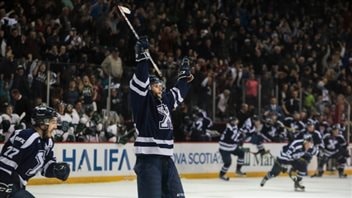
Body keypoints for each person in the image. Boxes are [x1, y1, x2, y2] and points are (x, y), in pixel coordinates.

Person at [129, 36, 193, 198]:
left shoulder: (165, 99)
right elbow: (141, 81)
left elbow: (179, 92)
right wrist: (142, 58)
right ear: (149, 87)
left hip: (167, 159)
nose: (161, 88)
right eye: (157, 86)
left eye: (161, 85)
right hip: (149, 160)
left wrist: (184, 77)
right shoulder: (143, 100)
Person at [0, 105, 70, 198]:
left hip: (17, 186)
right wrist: (3, 184)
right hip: (6, 183)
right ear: (42, 124)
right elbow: (5, 163)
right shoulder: (27, 136)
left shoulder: (48, 141)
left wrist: (56, 170)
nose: (56, 126)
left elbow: (45, 167)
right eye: (53, 122)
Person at [219, 116, 246, 181]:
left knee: (241, 153)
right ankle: (222, 174)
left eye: (235, 120)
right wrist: (239, 141)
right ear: (231, 122)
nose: (235, 122)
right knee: (228, 162)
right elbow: (230, 140)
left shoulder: (234, 127)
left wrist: (240, 137)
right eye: (234, 121)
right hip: (224, 148)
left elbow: (236, 135)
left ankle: (238, 170)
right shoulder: (229, 130)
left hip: (232, 147)